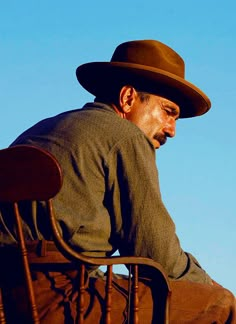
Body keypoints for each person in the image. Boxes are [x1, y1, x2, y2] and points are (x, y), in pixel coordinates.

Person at [0, 39, 235, 323]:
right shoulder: (125, 136)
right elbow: (157, 253)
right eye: (168, 111)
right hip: (63, 301)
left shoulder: (44, 129)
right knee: (220, 306)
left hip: (8, 298)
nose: (172, 130)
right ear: (127, 98)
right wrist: (207, 285)